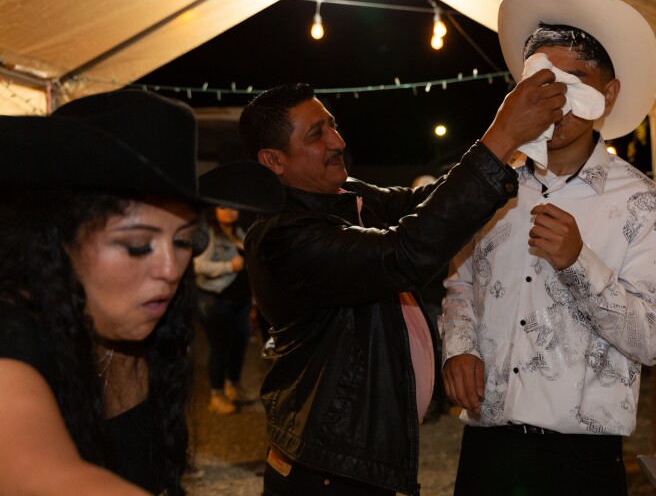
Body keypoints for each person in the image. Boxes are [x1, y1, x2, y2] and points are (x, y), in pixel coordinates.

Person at [238, 78, 567, 496]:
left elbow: (425, 204)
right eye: (316, 134)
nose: (337, 141)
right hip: (327, 470)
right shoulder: (284, 239)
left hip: (359, 465)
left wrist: (513, 151)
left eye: (332, 124)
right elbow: (404, 252)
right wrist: (500, 136)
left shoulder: (347, 196)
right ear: (273, 160)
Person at [439, 0, 656, 495]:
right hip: (487, 454)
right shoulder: (489, 188)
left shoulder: (642, 204)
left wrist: (579, 263)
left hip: (581, 466)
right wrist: (458, 347)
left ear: (607, 96)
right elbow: (459, 285)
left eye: (574, 83)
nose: (555, 101)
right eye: (541, 83)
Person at [0, 90, 282, 495]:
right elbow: (41, 475)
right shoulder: (11, 333)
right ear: (57, 239)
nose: (170, 270)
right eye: (136, 245)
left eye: (184, 242)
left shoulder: (150, 340)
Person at [194, 205, 257, 414]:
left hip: (241, 302)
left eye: (233, 208)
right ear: (214, 210)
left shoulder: (239, 232)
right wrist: (228, 266)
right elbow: (197, 265)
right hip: (217, 301)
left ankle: (233, 387)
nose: (230, 211)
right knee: (219, 349)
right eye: (223, 207)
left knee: (239, 346)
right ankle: (216, 395)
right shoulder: (209, 234)